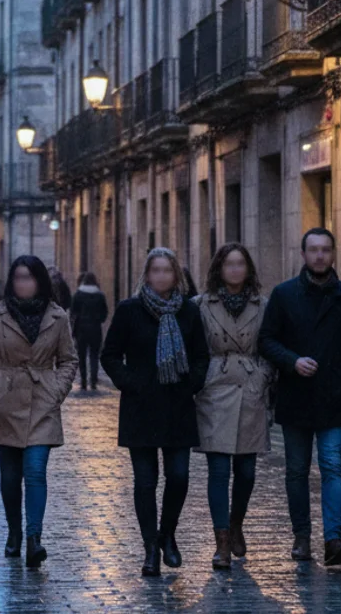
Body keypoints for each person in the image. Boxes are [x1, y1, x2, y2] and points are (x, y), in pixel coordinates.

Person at [101, 247, 209, 577]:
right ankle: (150, 548)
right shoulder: (129, 310)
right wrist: (132, 384)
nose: (161, 276)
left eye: (167, 271)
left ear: (176, 275)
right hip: (141, 409)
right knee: (146, 482)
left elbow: (202, 356)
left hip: (177, 407)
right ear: (146, 275)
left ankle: (168, 535)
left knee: (178, 477)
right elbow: (110, 355)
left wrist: (190, 383)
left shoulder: (188, 312)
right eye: (155, 271)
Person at [259, 227, 341, 566]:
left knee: (333, 466)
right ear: (303, 255)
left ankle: (334, 539)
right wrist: (292, 361)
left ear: (333, 254)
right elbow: (267, 340)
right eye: (313, 250)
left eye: (325, 250)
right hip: (296, 397)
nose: (319, 256)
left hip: (333, 398)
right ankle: (301, 536)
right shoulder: (285, 294)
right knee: (297, 470)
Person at [0, 255, 77, 568]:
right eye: (18, 277)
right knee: (9, 475)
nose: (23, 283)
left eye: (29, 278)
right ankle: (14, 532)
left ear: (40, 281)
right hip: (6, 401)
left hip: (43, 400)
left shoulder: (57, 317)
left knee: (35, 471)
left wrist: (56, 390)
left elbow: (68, 360)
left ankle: (34, 538)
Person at [192, 243, 274, 570]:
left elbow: (270, 344)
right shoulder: (200, 305)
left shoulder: (264, 305)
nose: (235, 270)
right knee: (219, 469)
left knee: (247, 470)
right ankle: (222, 542)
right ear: (219, 269)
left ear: (248, 269)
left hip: (251, 388)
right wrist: (202, 380)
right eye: (229, 264)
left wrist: (263, 376)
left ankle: (237, 521)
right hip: (215, 390)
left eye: (241, 264)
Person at [69, 272, 109, 392]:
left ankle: (83, 382)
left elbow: (73, 311)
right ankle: (93, 381)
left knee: (81, 356)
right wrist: (99, 319)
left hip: (81, 328)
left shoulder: (78, 294)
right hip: (95, 328)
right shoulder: (100, 295)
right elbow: (104, 312)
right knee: (94, 356)